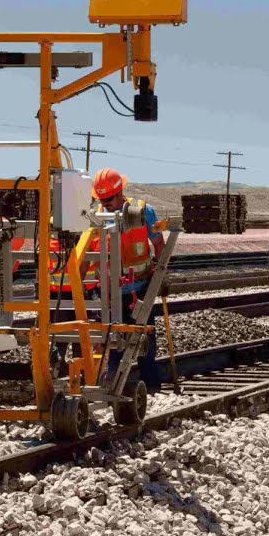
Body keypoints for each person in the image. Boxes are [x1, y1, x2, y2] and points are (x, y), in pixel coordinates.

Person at [85, 168, 166, 392]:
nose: (105, 204)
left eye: (108, 199)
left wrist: (160, 276)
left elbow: (158, 243)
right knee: (113, 341)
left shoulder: (143, 211)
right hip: (109, 292)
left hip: (140, 288)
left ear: (119, 192)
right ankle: (114, 386)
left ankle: (151, 386)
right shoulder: (96, 216)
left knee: (144, 338)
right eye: (102, 200)